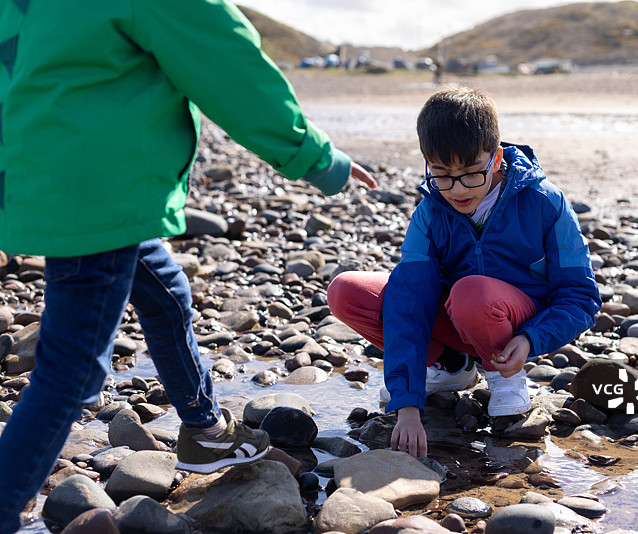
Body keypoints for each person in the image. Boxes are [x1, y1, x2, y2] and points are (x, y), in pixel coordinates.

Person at [0, 0, 376, 531]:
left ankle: (203, 433)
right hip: (96, 191)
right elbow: (230, 69)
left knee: (165, 292)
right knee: (72, 369)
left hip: (55, 179)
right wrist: (317, 159)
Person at [328, 86, 600, 457]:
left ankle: (503, 374)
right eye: (441, 173)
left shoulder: (544, 202)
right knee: (347, 292)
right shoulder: (430, 212)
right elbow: (409, 302)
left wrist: (532, 339)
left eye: (471, 173)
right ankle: (450, 365)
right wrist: (407, 406)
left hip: (512, 321)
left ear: (496, 156)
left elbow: (581, 296)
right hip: (456, 319)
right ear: (427, 161)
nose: (457, 190)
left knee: (472, 292)